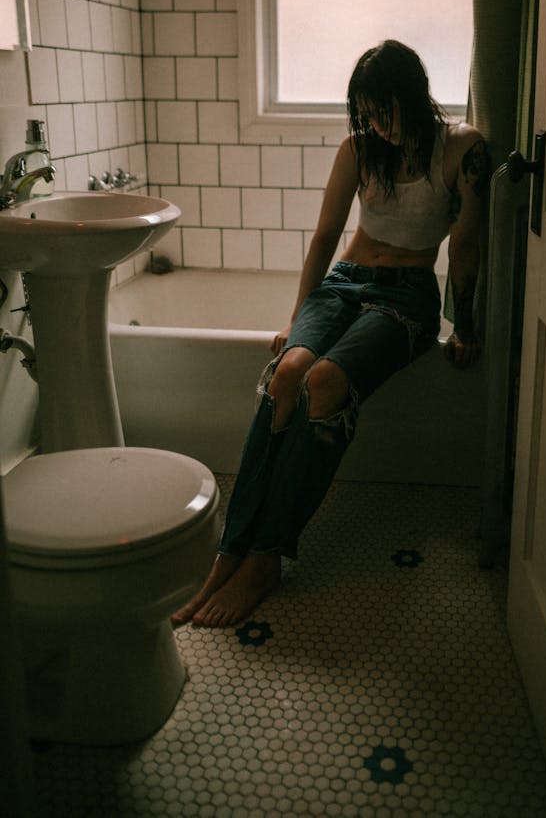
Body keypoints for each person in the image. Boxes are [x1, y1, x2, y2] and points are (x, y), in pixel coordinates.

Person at [172, 40, 489, 629]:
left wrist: (464, 323)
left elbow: (466, 245)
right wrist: (297, 318)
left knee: (326, 380)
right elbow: (325, 237)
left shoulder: (462, 150)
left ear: (415, 97)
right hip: (343, 283)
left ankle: (267, 557)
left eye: (386, 110)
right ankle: (230, 551)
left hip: (408, 296)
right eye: (367, 112)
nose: (377, 125)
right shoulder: (358, 149)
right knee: (288, 373)